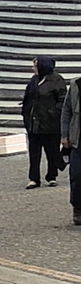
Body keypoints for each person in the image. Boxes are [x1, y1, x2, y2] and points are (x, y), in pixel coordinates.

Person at [22, 56, 66, 189]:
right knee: (34, 153)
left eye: (35, 65)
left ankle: (52, 176)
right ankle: (34, 178)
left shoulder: (57, 80)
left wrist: (52, 113)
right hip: (34, 123)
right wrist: (25, 114)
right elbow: (28, 99)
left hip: (50, 124)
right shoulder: (34, 80)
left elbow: (62, 100)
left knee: (51, 151)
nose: (32, 68)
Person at [61, 74, 81, 225]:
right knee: (77, 175)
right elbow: (66, 111)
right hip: (78, 139)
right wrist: (64, 135)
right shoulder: (75, 84)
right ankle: (78, 208)